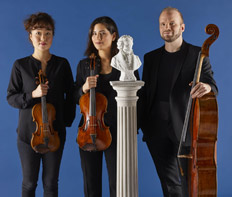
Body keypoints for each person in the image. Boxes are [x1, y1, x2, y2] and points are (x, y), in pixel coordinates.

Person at [138, 7, 218, 197]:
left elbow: (212, 84)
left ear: (182, 27)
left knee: (187, 183)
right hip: (155, 129)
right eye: (163, 24)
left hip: (185, 125)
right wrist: (140, 125)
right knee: (168, 183)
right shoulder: (150, 58)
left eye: (172, 23)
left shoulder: (198, 54)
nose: (167, 27)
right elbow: (145, 94)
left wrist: (206, 88)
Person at [7, 12, 75, 197]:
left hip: (55, 133)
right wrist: (33, 94)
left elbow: (71, 95)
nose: (43, 38)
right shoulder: (20, 65)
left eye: (47, 33)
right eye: (38, 32)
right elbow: (11, 97)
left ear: (53, 35)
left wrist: (65, 122)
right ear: (30, 36)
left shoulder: (62, 64)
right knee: (29, 183)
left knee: (51, 183)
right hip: (27, 134)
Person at [74, 16, 139, 197]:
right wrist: (84, 88)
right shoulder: (84, 65)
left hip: (118, 131)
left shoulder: (127, 64)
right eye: (94, 33)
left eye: (102, 33)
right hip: (89, 129)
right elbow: (74, 97)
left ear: (114, 36)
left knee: (117, 184)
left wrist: (133, 128)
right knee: (91, 185)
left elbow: (137, 98)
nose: (97, 38)